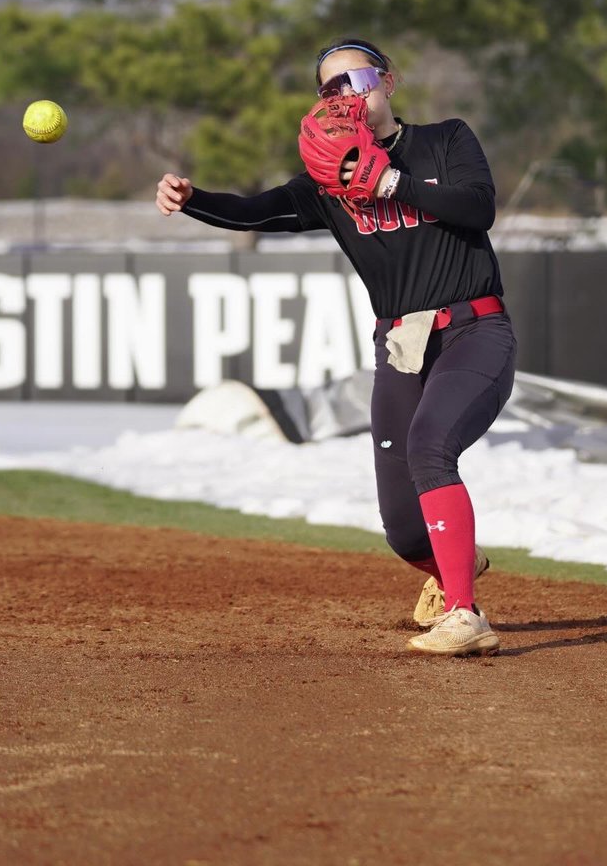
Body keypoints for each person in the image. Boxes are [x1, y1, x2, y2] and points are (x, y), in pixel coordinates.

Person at [155, 37, 517, 656]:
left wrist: (392, 181)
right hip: (401, 344)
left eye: (360, 79)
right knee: (403, 530)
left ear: (389, 81)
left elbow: (478, 207)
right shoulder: (327, 184)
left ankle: (465, 614)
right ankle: (454, 566)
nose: (348, 94)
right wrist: (194, 201)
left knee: (431, 445)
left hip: (474, 330)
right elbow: (256, 212)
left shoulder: (445, 139)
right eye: (332, 88)